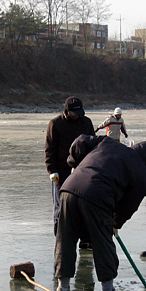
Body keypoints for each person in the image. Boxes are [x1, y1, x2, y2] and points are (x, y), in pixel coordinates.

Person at [54, 135, 146, 291]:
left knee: (65, 238)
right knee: (102, 241)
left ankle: (63, 288)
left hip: (68, 188)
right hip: (97, 196)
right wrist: (115, 222)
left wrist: (75, 163)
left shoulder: (107, 142)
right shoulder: (140, 169)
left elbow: (80, 141)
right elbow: (129, 204)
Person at [45, 96, 95, 246]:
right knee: (61, 207)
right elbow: (50, 150)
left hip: (83, 171)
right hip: (61, 171)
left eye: (79, 112)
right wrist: (51, 170)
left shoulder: (86, 123)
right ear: (67, 110)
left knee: (85, 205)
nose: (77, 115)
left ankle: (86, 240)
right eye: (74, 113)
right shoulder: (55, 124)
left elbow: (93, 145)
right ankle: (62, 239)